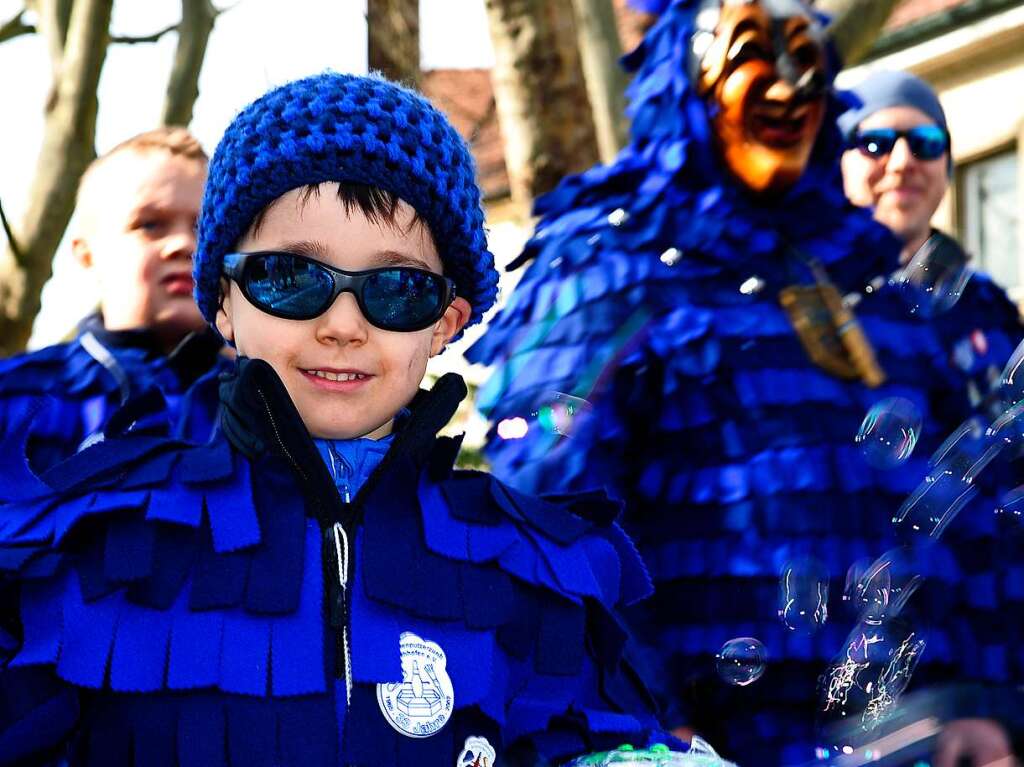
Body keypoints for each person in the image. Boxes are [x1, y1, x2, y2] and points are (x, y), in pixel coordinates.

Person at [0, 73, 674, 767]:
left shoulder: (538, 571)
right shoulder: (88, 547)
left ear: (447, 321)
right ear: (224, 303)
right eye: (292, 277)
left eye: (397, 288)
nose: (343, 325)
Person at [467, 1, 1022, 764]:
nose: (791, 86)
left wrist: (980, 698)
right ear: (683, 77)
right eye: (756, 51)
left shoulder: (876, 285)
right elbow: (549, 526)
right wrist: (646, 715)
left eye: (808, 59)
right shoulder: (606, 271)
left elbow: (964, 505)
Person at [0, 128, 229, 470]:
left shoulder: (276, 403)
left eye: (203, 228)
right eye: (150, 224)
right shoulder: (13, 398)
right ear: (86, 252)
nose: (185, 244)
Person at [839, 69, 1022, 417]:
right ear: (838, 164)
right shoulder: (810, 300)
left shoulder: (987, 305)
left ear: (947, 166)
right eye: (876, 143)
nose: (903, 162)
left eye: (926, 142)